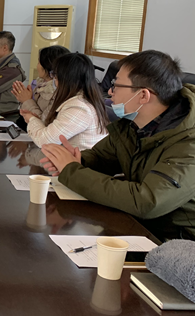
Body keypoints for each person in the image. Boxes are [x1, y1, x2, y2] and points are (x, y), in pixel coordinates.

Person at [41, 50, 195, 240]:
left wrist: (71, 170)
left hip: (177, 242)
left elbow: (146, 201)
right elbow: (101, 157)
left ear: (143, 95)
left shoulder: (189, 144)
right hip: (137, 225)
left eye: (116, 85)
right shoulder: (132, 126)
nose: (110, 91)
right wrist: (76, 160)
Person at [19, 53, 108, 149]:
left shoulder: (79, 108)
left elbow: (45, 141)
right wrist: (36, 119)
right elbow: (50, 126)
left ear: (66, 78)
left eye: (55, 76)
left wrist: (32, 119)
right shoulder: (76, 98)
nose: (54, 80)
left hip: (78, 158)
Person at [12, 45, 69, 121]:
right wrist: (24, 98)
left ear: (48, 66)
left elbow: (44, 121)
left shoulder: (58, 92)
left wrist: (27, 101)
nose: (37, 66)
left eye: (39, 62)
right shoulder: (40, 85)